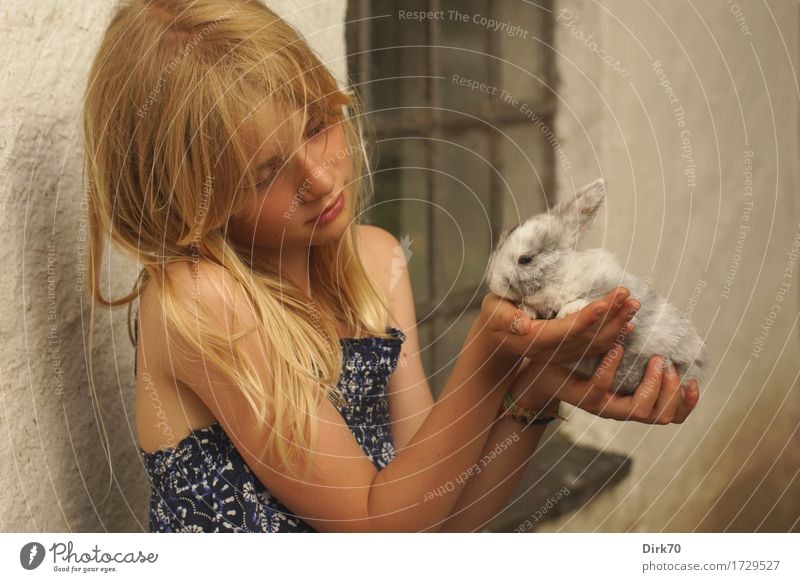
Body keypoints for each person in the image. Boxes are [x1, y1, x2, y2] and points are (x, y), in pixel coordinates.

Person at [81, 0, 700, 533]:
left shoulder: (375, 262)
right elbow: (377, 530)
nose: (321, 178)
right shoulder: (197, 301)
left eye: (320, 124)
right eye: (267, 172)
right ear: (189, 201)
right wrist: (488, 356)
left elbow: (438, 523)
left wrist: (532, 389)